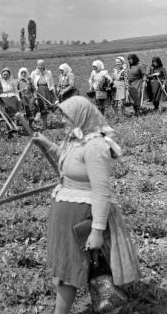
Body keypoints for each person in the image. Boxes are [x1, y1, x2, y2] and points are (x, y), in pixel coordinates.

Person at [32, 96, 140, 314]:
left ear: (81, 116)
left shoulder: (95, 146)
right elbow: (68, 162)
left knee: (69, 272)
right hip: (65, 215)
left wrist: (98, 230)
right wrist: (47, 144)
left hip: (81, 218)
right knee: (64, 268)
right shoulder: (75, 140)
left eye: (66, 116)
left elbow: (101, 191)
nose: (62, 120)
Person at [31, 59, 58, 130]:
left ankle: (45, 125)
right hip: (38, 91)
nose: (40, 66)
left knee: (45, 109)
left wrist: (54, 95)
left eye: (42, 65)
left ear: (44, 65)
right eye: (39, 65)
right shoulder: (34, 73)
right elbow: (31, 84)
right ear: (37, 65)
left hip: (47, 91)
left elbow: (51, 84)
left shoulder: (48, 72)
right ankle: (37, 121)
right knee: (39, 108)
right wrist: (34, 93)